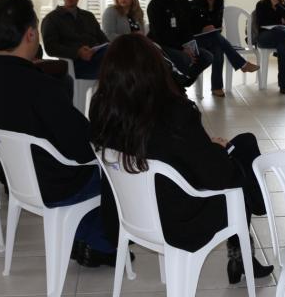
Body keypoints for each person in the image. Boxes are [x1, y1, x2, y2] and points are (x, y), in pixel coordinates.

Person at [89, 34, 273, 283]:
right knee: (242, 156)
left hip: (128, 211)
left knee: (241, 145)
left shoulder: (101, 107)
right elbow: (219, 176)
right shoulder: (174, 112)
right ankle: (253, 214)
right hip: (178, 219)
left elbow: (168, 150)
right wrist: (214, 149)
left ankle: (244, 246)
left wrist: (206, 147)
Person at [0, 0, 116, 267]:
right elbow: (83, 146)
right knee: (114, 167)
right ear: (31, 34)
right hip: (55, 182)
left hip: (19, 179)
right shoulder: (40, 86)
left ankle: (88, 238)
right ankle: (101, 242)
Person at [191, 0, 259, 97]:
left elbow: (218, 27)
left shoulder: (219, 6)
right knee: (216, 38)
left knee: (218, 49)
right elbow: (188, 26)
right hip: (195, 40)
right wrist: (202, 29)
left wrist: (212, 29)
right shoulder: (194, 4)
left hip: (211, 39)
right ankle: (242, 64)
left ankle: (216, 87)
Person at [147, 0, 212, 87]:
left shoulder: (184, 3)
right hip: (160, 45)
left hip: (181, 45)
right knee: (184, 58)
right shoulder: (155, 3)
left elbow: (187, 29)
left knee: (207, 57)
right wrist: (181, 49)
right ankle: (177, 88)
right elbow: (159, 33)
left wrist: (190, 46)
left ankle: (181, 84)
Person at [41, 0, 109, 80]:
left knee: (114, 51)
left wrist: (94, 50)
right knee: (118, 68)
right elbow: (50, 48)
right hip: (74, 64)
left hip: (96, 58)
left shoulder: (88, 16)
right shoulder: (52, 18)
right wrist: (77, 52)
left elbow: (104, 40)